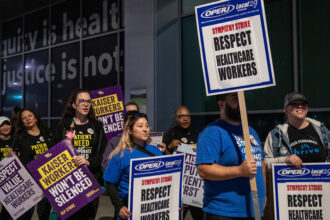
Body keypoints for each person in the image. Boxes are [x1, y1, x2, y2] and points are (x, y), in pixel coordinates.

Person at [196, 92, 266, 219]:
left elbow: (261, 163)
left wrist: (264, 195)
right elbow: (204, 170)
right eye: (234, 98)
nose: (240, 102)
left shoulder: (251, 131)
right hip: (224, 212)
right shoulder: (212, 132)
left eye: (241, 98)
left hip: (254, 210)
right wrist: (239, 170)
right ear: (221, 104)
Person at [53, 88, 107, 220]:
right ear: (74, 105)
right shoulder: (64, 125)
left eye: (88, 101)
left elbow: (104, 154)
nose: (85, 104)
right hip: (68, 182)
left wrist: (88, 161)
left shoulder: (97, 126)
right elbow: (53, 151)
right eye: (81, 101)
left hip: (90, 180)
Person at [103, 112, 163, 220]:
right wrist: (119, 207)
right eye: (140, 126)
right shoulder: (120, 155)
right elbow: (110, 184)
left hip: (153, 210)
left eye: (147, 126)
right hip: (130, 212)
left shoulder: (156, 151)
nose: (145, 129)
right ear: (129, 131)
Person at [264, 92, 330, 169]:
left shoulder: (322, 130)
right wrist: (285, 160)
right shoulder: (276, 134)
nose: (300, 106)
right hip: (291, 180)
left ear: (307, 109)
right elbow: (265, 163)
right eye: (295, 104)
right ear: (285, 110)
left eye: (303, 104)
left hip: (322, 179)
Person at [160, 106, 202, 219]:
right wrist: (169, 146)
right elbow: (161, 157)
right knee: (177, 216)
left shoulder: (197, 133)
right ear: (175, 119)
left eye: (187, 116)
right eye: (181, 116)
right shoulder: (169, 134)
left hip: (194, 184)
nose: (185, 119)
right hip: (178, 184)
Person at [12, 108, 53, 220]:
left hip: (47, 178)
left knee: (44, 212)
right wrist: (11, 154)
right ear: (22, 122)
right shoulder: (20, 137)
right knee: (25, 214)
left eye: (29, 116)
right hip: (29, 180)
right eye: (24, 118)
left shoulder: (47, 133)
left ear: (35, 117)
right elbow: (14, 154)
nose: (27, 119)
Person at [101, 101, 139, 171]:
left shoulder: (144, 140)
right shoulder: (114, 141)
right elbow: (105, 165)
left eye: (134, 113)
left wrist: (164, 151)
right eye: (128, 113)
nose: (131, 117)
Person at [0, 116, 14, 220]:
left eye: (7, 124)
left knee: (10, 207)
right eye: (2, 125)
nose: (5, 127)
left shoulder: (16, 139)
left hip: (13, 178)